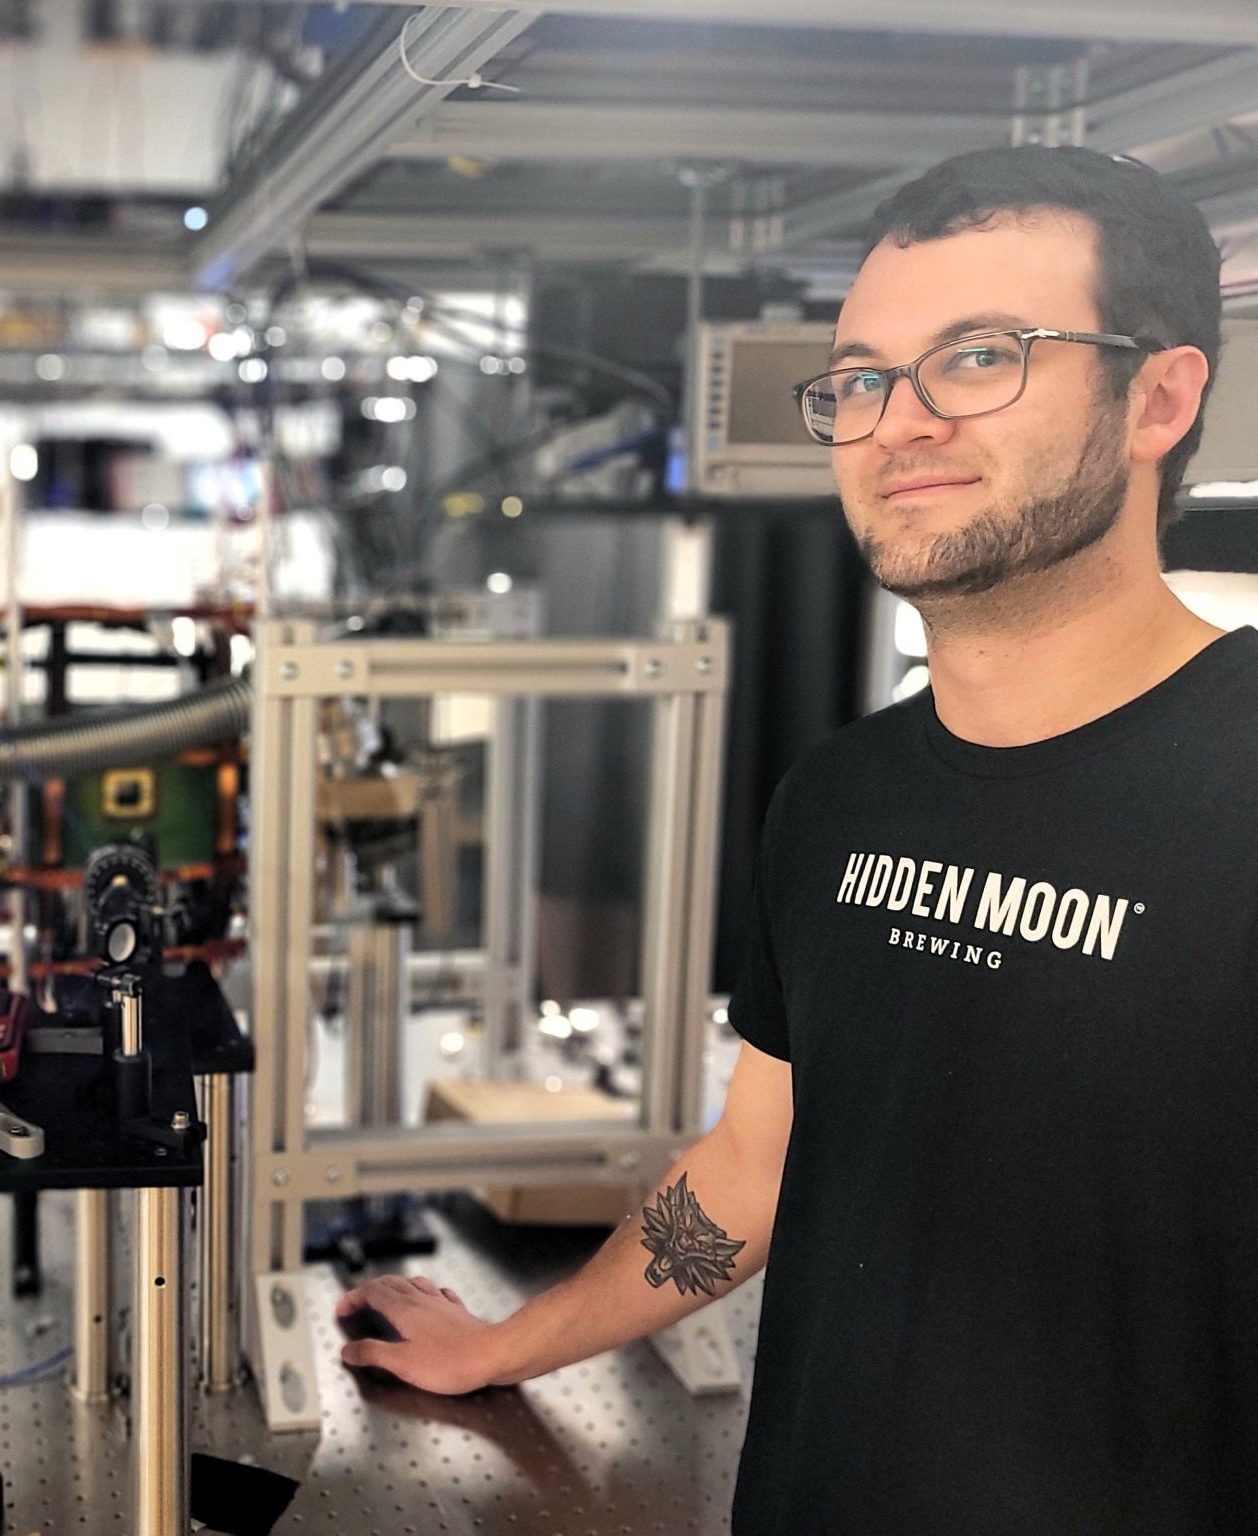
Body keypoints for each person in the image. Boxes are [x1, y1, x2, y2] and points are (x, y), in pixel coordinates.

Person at [336, 145, 1256, 1535]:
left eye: (981, 358)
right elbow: (750, 1166)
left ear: (1159, 399)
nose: (900, 424)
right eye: (864, 378)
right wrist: (505, 1345)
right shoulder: (839, 799)